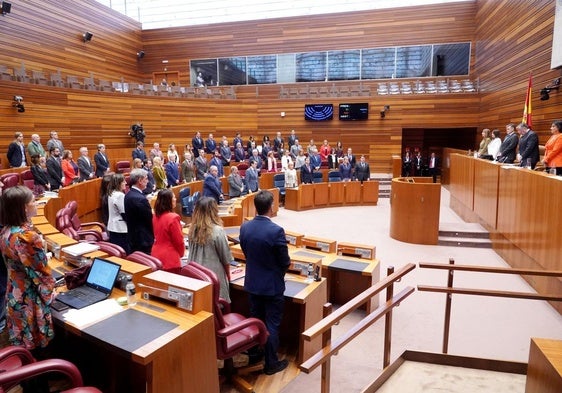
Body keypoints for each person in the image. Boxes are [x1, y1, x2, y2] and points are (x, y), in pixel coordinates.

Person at [0, 186, 56, 392]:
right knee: (37, 356)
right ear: (24, 208)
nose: (36, 203)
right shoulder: (28, 237)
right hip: (30, 303)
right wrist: (53, 295)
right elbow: (41, 276)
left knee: (26, 354)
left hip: (14, 298)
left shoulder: (5, 232)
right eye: (33, 201)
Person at [239, 190, 290, 375]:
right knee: (271, 325)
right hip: (271, 287)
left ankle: (255, 354)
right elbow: (285, 262)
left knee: (256, 321)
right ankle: (271, 364)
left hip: (252, 283)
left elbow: (246, 252)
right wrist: (277, 273)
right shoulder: (276, 231)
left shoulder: (245, 227)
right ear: (271, 207)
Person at [188, 197, 233, 302]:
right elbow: (225, 258)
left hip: (195, 274)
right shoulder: (217, 231)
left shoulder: (192, 228)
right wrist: (228, 275)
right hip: (212, 276)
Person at [152, 189, 184, 271]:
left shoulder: (155, 216)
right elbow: (178, 241)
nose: (175, 199)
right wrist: (180, 254)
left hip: (155, 255)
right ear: (168, 201)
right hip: (169, 258)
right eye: (173, 197)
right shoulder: (173, 218)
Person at [124, 169, 154, 254]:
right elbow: (149, 220)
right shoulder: (140, 199)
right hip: (143, 241)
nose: (148, 181)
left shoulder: (128, 194)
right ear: (140, 180)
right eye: (146, 179)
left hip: (132, 237)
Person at [107, 173, 129, 254]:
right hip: (120, 228)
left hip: (113, 227)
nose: (126, 183)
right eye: (123, 182)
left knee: (116, 252)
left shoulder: (111, 193)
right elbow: (124, 213)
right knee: (123, 252)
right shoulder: (120, 195)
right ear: (118, 183)